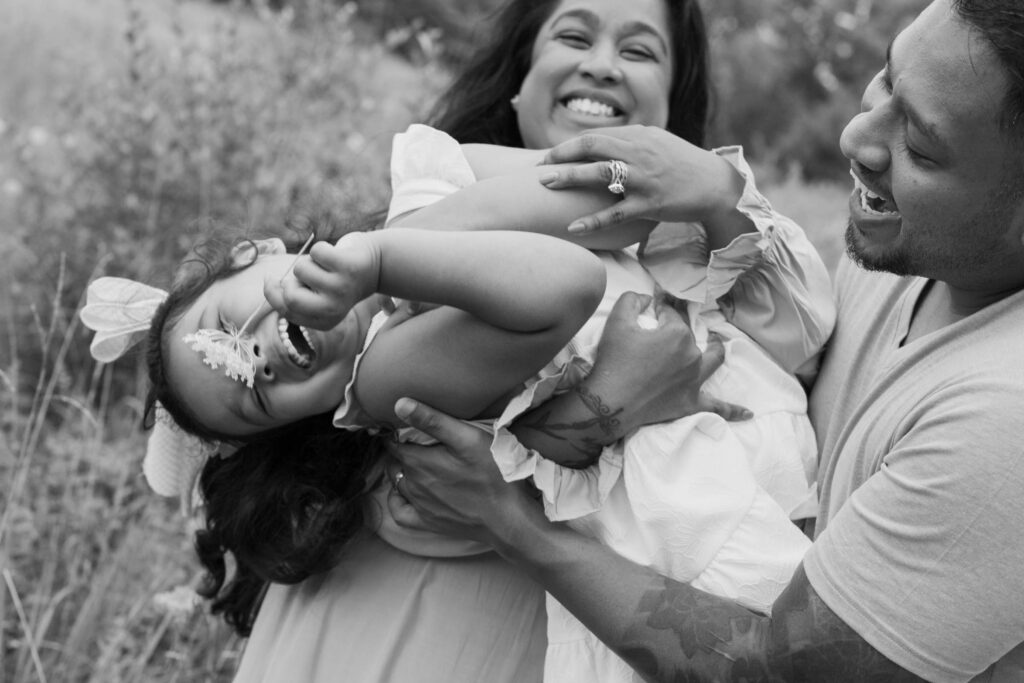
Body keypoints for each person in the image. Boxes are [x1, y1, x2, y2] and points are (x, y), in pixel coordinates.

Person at [387, 0, 1024, 680]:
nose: (855, 136)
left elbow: (788, 671)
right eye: (886, 79)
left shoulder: (1002, 421)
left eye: (920, 145)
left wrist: (515, 523)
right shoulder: (903, 253)